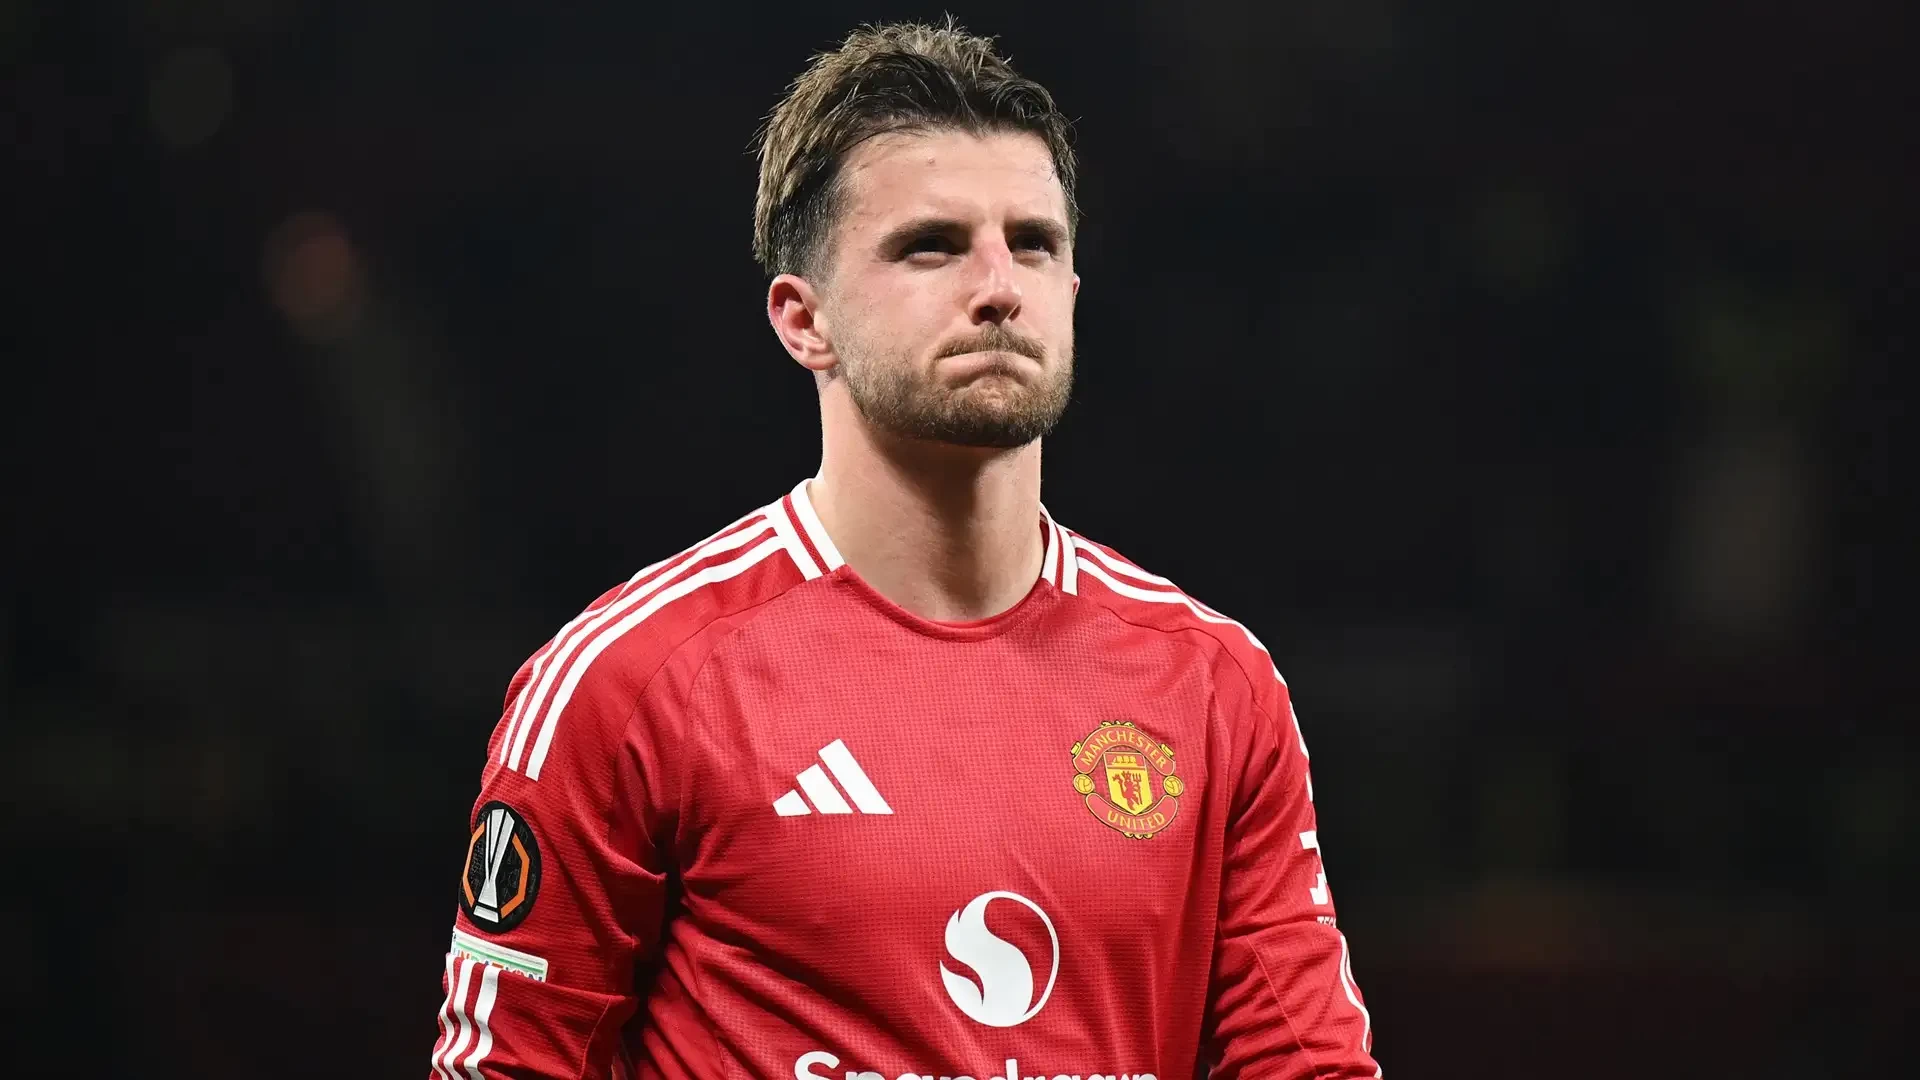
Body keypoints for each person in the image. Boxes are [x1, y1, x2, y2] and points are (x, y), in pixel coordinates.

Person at [428, 20, 1379, 1080]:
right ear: (805, 320)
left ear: (1072, 292)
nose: (999, 285)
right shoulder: (628, 682)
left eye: (1034, 243)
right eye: (932, 245)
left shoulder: (1213, 685)